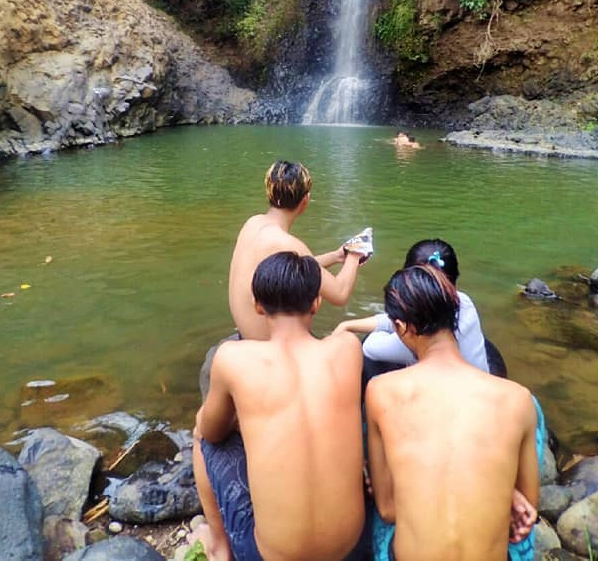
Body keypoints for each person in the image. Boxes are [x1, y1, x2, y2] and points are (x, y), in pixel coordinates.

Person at [193, 251, 366, 561]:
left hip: (269, 555)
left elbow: (212, 432)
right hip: (351, 549)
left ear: (258, 306)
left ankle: (219, 546)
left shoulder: (233, 357)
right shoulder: (348, 349)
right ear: (316, 303)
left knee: (199, 434)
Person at [365, 265, 540, 561]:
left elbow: (389, 509)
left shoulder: (381, 392)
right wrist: (500, 490)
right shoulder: (518, 399)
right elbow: (526, 512)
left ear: (400, 327)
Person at [333, 238, 507, 378]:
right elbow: (395, 320)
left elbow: (371, 347)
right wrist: (351, 324)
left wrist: (349, 328)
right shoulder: (465, 302)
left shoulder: (421, 338)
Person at [228, 161, 364, 340]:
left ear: (269, 192)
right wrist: (355, 253)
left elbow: (293, 267)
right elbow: (340, 294)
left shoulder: (252, 223)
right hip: (268, 348)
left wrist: (336, 256)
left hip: (245, 336)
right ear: (305, 201)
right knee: (347, 342)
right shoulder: (286, 243)